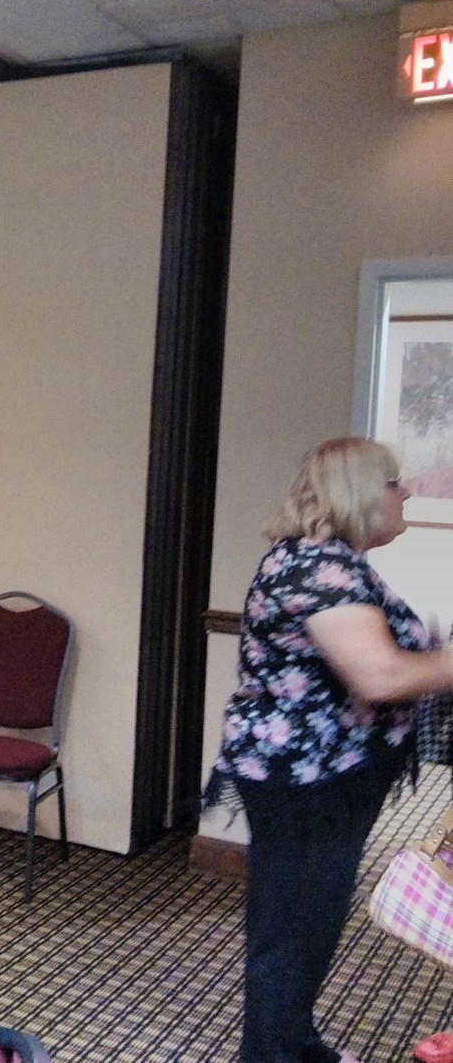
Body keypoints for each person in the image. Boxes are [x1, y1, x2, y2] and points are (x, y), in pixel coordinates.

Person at [205, 437, 453, 1063]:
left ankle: (290, 1042)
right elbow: (380, 677)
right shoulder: (317, 567)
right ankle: (272, 1054)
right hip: (306, 782)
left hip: (325, 775)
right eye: (393, 483)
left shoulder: (334, 561)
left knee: (306, 923)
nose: (405, 494)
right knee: (294, 929)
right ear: (360, 494)